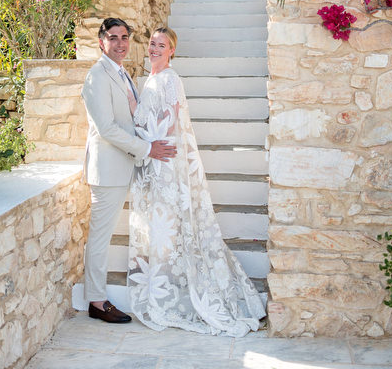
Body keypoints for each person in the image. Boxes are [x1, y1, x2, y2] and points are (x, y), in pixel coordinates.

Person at [127, 27, 266, 337]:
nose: (154, 48)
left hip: (162, 160)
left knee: (166, 227)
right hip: (150, 160)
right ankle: (163, 283)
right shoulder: (151, 79)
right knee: (157, 228)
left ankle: (170, 289)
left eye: (161, 45)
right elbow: (147, 116)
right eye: (152, 43)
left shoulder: (170, 79)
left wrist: (146, 138)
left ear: (172, 51)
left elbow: (171, 122)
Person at [81, 18, 176, 324]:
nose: (120, 43)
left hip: (126, 166)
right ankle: (96, 301)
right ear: (101, 42)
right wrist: (148, 149)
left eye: (124, 37)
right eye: (113, 38)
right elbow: (107, 128)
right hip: (107, 170)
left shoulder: (122, 73)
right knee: (100, 237)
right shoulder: (97, 76)